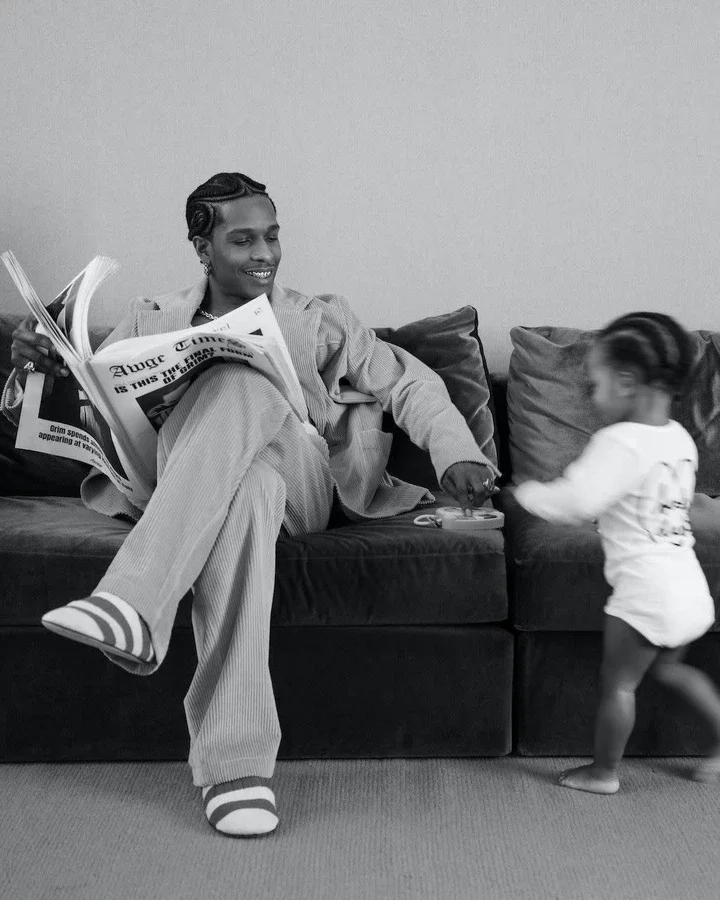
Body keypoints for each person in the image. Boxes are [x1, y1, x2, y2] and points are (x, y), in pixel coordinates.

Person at [4, 172, 500, 836]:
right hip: (195, 486)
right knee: (248, 495)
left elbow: (407, 380)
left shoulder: (319, 317)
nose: (264, 252)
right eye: (243, 239)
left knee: (243, 383)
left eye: (271, 235)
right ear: (202, 248)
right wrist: (31, 370)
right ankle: (236, 772)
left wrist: (456, 454)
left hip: (305, 484)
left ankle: (132, 600)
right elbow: (57, 412)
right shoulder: (147, 319)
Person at [513, 312, 720, 794]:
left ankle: (603, 772)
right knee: (672, 669)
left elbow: (577, 501)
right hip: (688, 589)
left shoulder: (618, 440)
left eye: (594, 384)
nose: (591, 395)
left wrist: (523, 495)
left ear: (626, 382)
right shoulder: (678, 438)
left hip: (646, 595)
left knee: (619, 685)